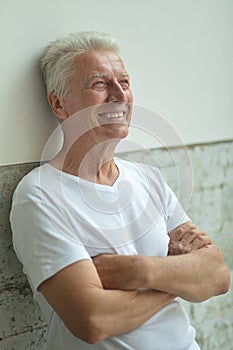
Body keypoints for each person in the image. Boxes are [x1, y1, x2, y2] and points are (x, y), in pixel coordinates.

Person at [10, 31, 230, 350]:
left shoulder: (149, 178)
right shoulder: (39, 196)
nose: (118, 95)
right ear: (58, 104)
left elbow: (218, 276)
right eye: (99, 84)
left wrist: (138, 270)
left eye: (124, 82)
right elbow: (94, 321)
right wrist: (178, 277)